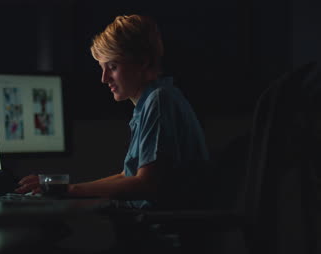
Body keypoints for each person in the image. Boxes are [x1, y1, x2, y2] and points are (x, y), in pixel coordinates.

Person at [15, 14, 209, 209]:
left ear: (142, 62)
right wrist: (64, 188)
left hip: (161, 232)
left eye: (113, 67)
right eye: (102, 68)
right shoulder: (151, 101)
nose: (104, 78)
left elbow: (145, 183)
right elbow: (128, 176)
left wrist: (69, 190)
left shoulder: (159, 100)